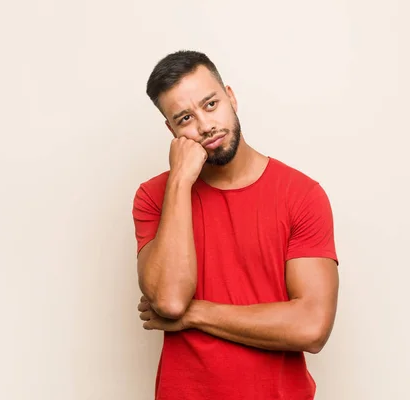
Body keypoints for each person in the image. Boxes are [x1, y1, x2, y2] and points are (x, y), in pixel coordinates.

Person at [132, 50, 339, 400]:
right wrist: (180, 180)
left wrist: (195, 313)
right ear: (171, 130)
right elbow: (168, 301)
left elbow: (312, 327)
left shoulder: (301, 195)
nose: (205, 125)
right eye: (185, 118)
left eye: (210, 104)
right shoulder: (154, 197)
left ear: (231, 97)